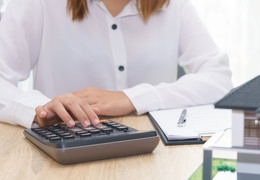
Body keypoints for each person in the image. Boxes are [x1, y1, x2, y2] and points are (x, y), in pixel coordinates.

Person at [0, 0, 232, 129]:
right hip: (64, 153)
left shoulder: (174, 6)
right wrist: (40, 108)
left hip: (154, 156)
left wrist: (131, 98)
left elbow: (218, 79)